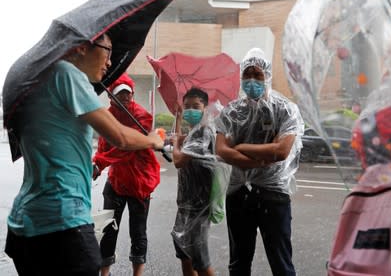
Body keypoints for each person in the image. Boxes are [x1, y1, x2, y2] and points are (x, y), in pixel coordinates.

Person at [4, 33, 164, 276]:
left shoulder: (38, 82)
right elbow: (118, 136)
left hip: (25, 223)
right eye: (107, 50)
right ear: (80, 48)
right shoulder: (68, 74)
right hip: (62, 221)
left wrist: (86, 167)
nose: (110, 61)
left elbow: (56, 145)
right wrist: (153, 140)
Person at [215, 48, 304, 276]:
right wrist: (263, 158)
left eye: (258, 75)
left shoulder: (285, 110)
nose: (252, 80)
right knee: (239, 263)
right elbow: (221, 150)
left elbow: (282, 151)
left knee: (281, 263)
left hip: (273, 195)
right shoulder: (232, 111)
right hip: (239, 195)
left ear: (267, 77)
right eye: (247, 75)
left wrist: (242, 148)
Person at [92, 72, 160, 276]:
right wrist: (98, 164)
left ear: (132, 95)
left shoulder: (141, 116)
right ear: (112, 97)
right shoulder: (107, 116)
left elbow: (126, 145)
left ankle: (137, 273)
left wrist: (102, 161)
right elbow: (105, 147)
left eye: (128, 94)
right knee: (108, 229)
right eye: (120, 94)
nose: (125, 98)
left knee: (138, 231)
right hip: (116, 182)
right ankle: (105, 272)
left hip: (140, 182)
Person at [171, 87, 229, 276]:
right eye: (186, 106)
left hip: (199, 205)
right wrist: (178, 119)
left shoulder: (203, 131)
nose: (190, 110)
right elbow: (181, 144)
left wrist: (177, 144)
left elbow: (179, 160)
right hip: (186, 203)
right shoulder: (194, 131)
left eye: (196, 106)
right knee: (184, 250)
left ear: (205, 108)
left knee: (199, 257)